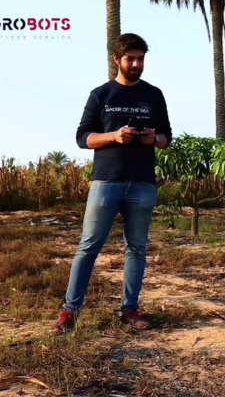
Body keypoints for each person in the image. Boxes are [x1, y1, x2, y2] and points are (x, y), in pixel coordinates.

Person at [51, 33, 172, 334]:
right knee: (88, 246)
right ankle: (70, 311)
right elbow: (83, 138)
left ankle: (129, 310)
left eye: (141, 59)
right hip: (106, 182)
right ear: (117, 59)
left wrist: (151, 139)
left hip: (142, 183)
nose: (136, 64)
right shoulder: (101, 94)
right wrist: (114, 136)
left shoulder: (154, 95)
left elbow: (166, 137)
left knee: (137, 249)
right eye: (130, 58)